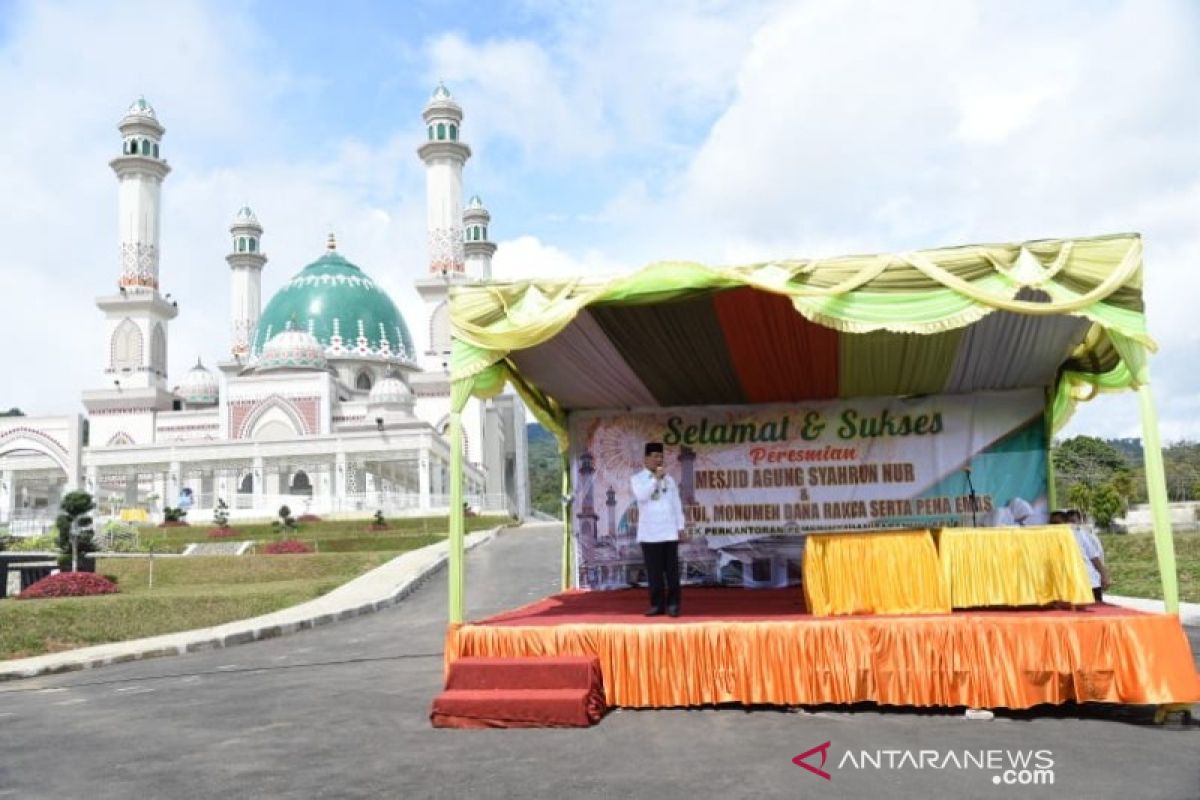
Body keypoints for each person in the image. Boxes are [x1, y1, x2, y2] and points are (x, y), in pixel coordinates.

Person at [631, 441, 686, 617]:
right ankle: (656, 605)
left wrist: (681, 526)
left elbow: (676, 504)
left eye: (661, 456)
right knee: (654, 573)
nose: (659, 460)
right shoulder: (638, 479)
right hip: (650, 534)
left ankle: (673, 605)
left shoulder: (669, 480)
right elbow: (642, 496)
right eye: (655, 456)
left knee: (672, 572)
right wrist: (655, 479)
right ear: (646, 459)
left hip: (669, 532)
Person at [1068, 509, 1110, 603]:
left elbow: (1095, 556)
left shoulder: (1082, 534)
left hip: (1090, 583)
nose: (1070, 524)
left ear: (1080, 521)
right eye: (1068, 521)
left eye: (1073, 521)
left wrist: (1104, 576)